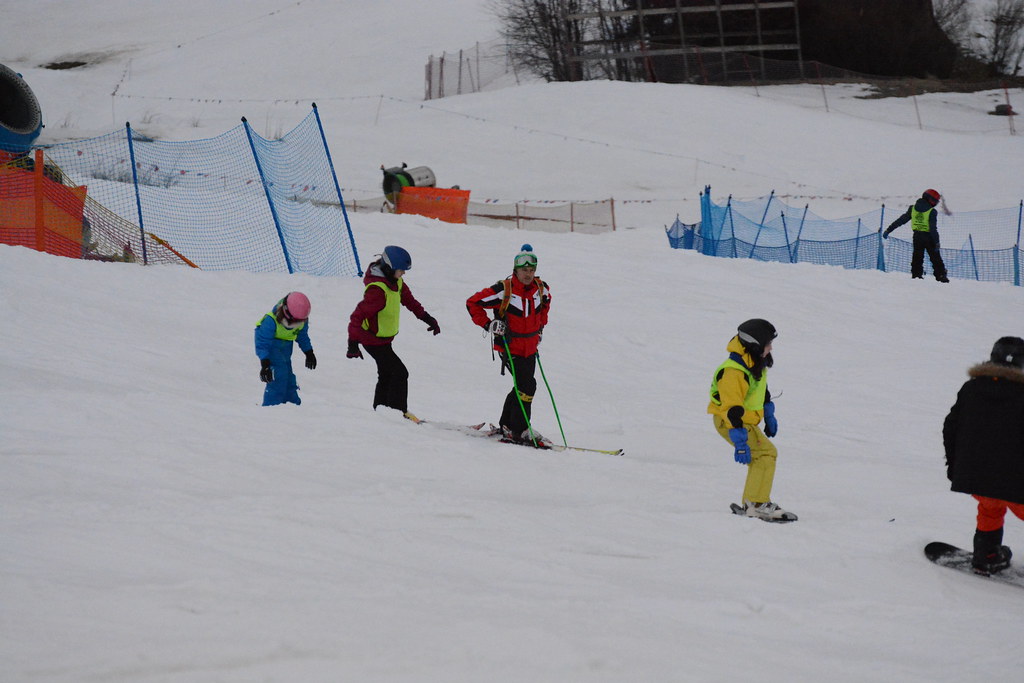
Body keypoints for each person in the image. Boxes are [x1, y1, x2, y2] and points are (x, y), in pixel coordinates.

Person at [942, 336, 1024, 575]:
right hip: (1017, 486)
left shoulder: (972, 388)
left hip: (977, 479)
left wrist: (954, 466)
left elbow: (951, 427)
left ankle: (986, 555)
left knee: (990, 508)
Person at [707, 318, 796, 522]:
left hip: (742, 420)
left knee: (764, 455)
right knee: (765, 454)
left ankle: (754, 503)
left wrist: (768, 413)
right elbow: (731, 408)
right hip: (731, 422)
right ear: (754, 345)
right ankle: (756, 504)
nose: (771, 348)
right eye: (767, 344)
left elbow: (759, 390)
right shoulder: (733, 371)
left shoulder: (751, 363)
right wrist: (738, 439)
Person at [466, 244, 551, 445]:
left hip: (530, 347)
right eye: (524, 270)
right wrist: (488, 324)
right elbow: (472, 303)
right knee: (528, 386)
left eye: (531, 270)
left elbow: (545, 307)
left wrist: (540, 329)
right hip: (509, 346)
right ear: (516, 270)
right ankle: (520, 429)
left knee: (521, 386)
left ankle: (507, 424)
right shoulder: (504, 290)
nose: (528, 274)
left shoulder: (541, 288)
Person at [346, 245, 440, 419]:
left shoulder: (396, 282)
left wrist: (428, 318)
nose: (403, 274)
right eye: (401, 271)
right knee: (399, 372)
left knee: (387, 373)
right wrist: (352, 344)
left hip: (384, 339)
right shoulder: (377, 291)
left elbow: (410, 301)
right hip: (372, 340)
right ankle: (398, 413)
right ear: (389, 268)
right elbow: (356, 317)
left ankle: (382, 411)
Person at [254, 291, 316, 406]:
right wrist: (265, 362)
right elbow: (262, 342)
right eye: (295, 321)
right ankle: (272, 405)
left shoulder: (302, 319)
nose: (297, 323)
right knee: (278, 374)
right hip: (271, 346)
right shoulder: (270, 321)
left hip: (286, 347)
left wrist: (309, 352)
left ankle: (291, 403)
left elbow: (302, 335)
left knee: (288, 375)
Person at [881, 188, 949, 283]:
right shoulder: (932, 212)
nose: (935, 203)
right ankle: (941, 276)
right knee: (935, 258)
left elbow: (901, 220)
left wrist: (889, 230)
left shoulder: (912, 209)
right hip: (929, 238)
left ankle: (916, 275)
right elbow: (933, 229)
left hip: (917, 237)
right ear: (929, 199)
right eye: (934, 201)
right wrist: (937, 241)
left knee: (917, 257)